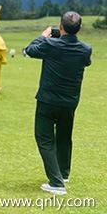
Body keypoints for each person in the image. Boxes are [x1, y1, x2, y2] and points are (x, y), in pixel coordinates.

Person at [24, 11, 92, 195]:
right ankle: (64, 172)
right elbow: (86, 62)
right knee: (64, 137)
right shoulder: (86, 49)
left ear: (60, 27)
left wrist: (44, 35)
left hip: (47, 101)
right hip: (70, 102)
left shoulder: (49, 45)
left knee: (45, 139)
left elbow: (29, 50)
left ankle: (56, 183)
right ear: (80, 28)